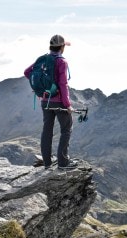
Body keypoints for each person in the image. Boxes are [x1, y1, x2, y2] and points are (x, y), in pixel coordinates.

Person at [24, 34, 77, 170]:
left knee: (47, 130)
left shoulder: (43, 59)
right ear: (62, 47)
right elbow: (63, 84)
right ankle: (63, 163)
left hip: (45, 100)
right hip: (58, 102)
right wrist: (67, 104)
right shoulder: (61, 62)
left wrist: (40, 86)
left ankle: (47, 162)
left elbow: (27, 72)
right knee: (66, 129)